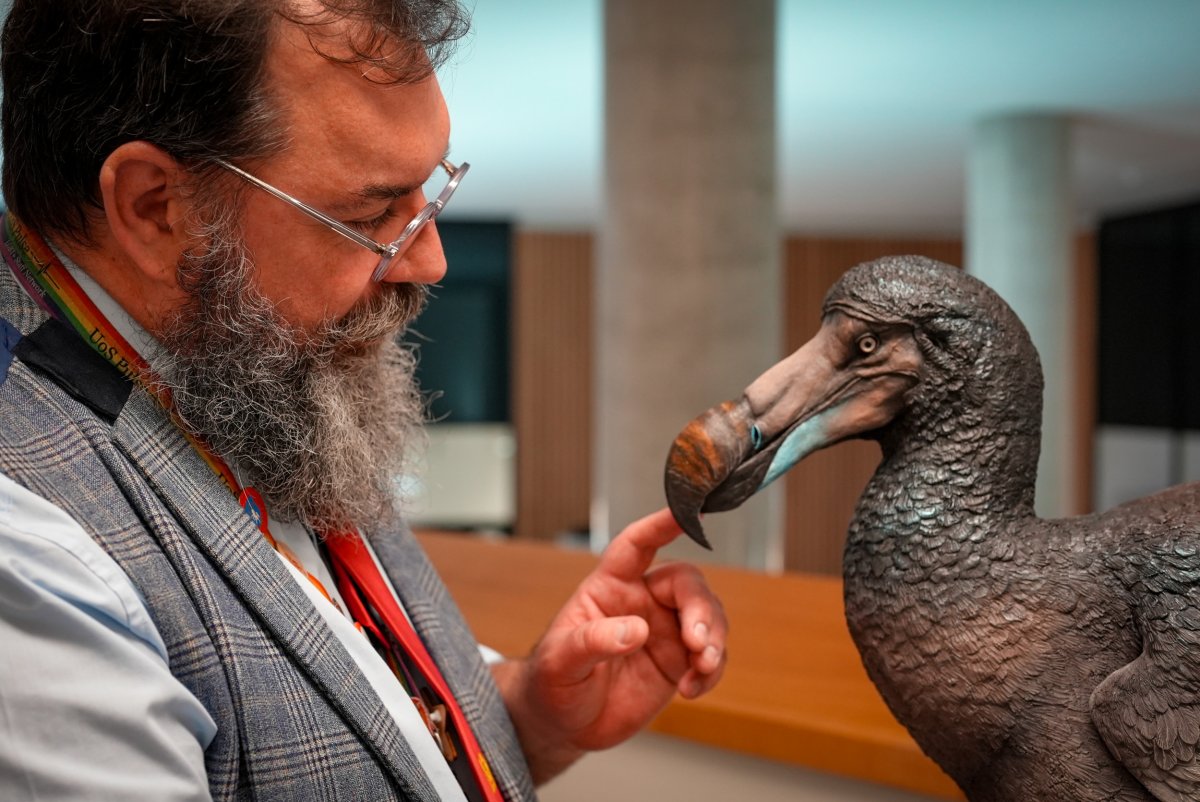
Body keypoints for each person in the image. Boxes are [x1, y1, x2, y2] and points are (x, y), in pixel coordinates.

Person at [0, 2, 728, 800]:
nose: (430, 261)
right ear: (155, 207)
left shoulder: (248, 359)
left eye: (430, 191)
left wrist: (528, 717)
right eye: (372, 214)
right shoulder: (27, 548)